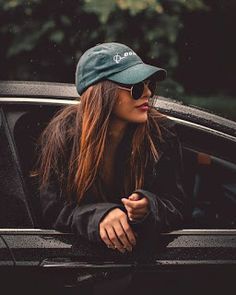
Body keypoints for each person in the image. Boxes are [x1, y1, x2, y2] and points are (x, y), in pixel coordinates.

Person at [38, 42, 189, 256]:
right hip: (81, 264)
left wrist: (149, 206)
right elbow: (52, 209)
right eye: (136, 88)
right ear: (103, 94)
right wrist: (98, 216)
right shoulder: (63, 134)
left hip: (148, 263)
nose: (147, 93)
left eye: (149, 85)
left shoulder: (161, 134)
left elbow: (179, 205)